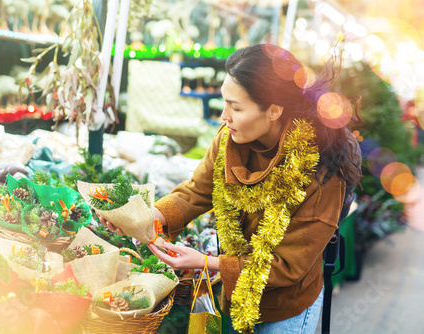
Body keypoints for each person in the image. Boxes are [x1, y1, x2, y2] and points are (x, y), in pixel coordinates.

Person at [101, 44, 362, 334]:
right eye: (224, 102)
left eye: (236, 107)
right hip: (232, 295)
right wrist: (146, 216)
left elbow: (289, 265)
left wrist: (206, 262)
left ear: (274, 110)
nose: (224, 116)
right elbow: (196, 191)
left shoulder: (321, 169)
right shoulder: (228, 140)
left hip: (285, 306)